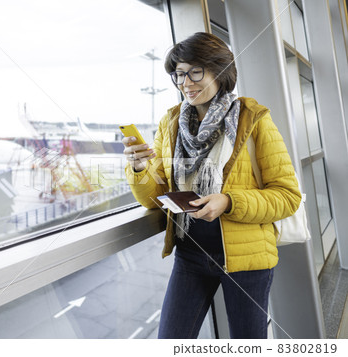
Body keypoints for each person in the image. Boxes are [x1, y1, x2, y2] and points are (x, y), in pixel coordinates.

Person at [122, 32, 301, 339]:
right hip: (190, 254)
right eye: (179, 74)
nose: (186, 83)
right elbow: (155, 199)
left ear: (219, 70)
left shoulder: (253, 118)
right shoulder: (170, 123)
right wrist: (140, 168)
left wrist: (228, 202)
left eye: (195, 72)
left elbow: (287, 196)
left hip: (247, 260)